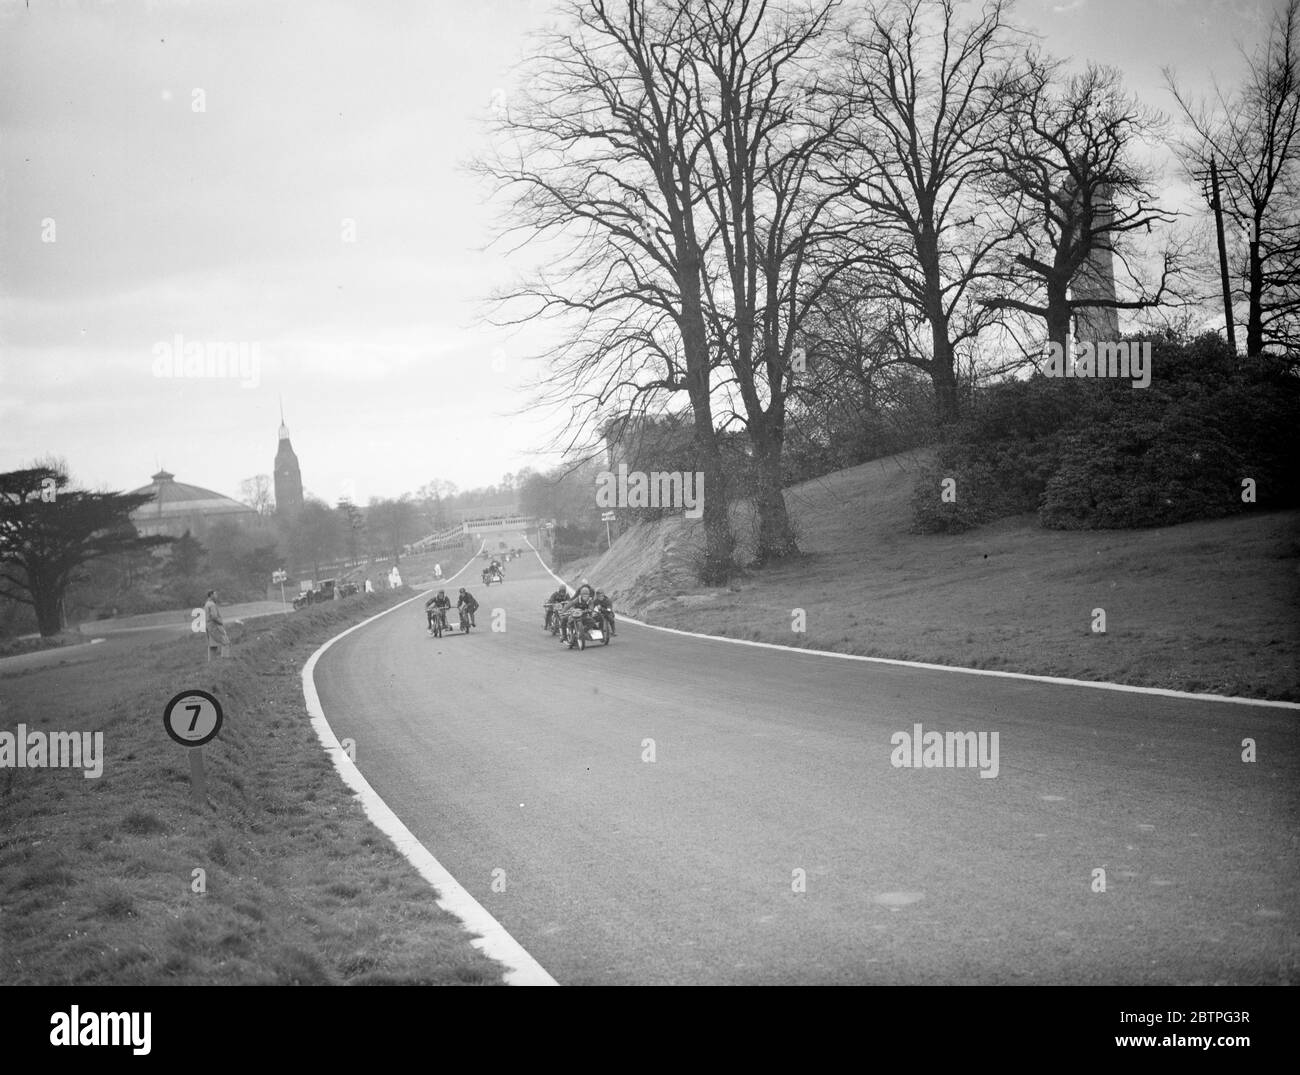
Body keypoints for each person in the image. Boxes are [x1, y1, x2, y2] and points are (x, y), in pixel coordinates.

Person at [204, 589, 230, 659]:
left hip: (209, 627)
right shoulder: (212, 604)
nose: (217, 596)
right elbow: (214, 616)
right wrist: (220, 622)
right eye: (215, 594)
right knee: (225, 642)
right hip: (215, 626)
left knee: (212, 646)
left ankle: (211, 663)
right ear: (211, 595)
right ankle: (225, 659)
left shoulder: (206, 604)